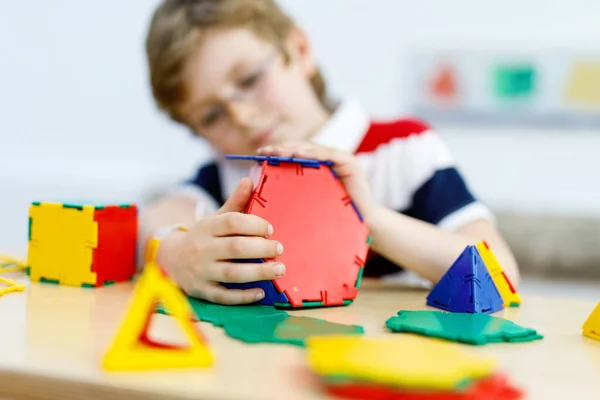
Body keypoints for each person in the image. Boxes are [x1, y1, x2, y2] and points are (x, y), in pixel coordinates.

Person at [140, 0, 519, 305]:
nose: (241, 116)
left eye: (250, 79)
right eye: (211, 115)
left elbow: (500, 274)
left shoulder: (405, 150)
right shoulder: (228, 177)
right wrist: (172, 254)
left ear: (299, 50)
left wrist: (368, 218)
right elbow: (142, 225)